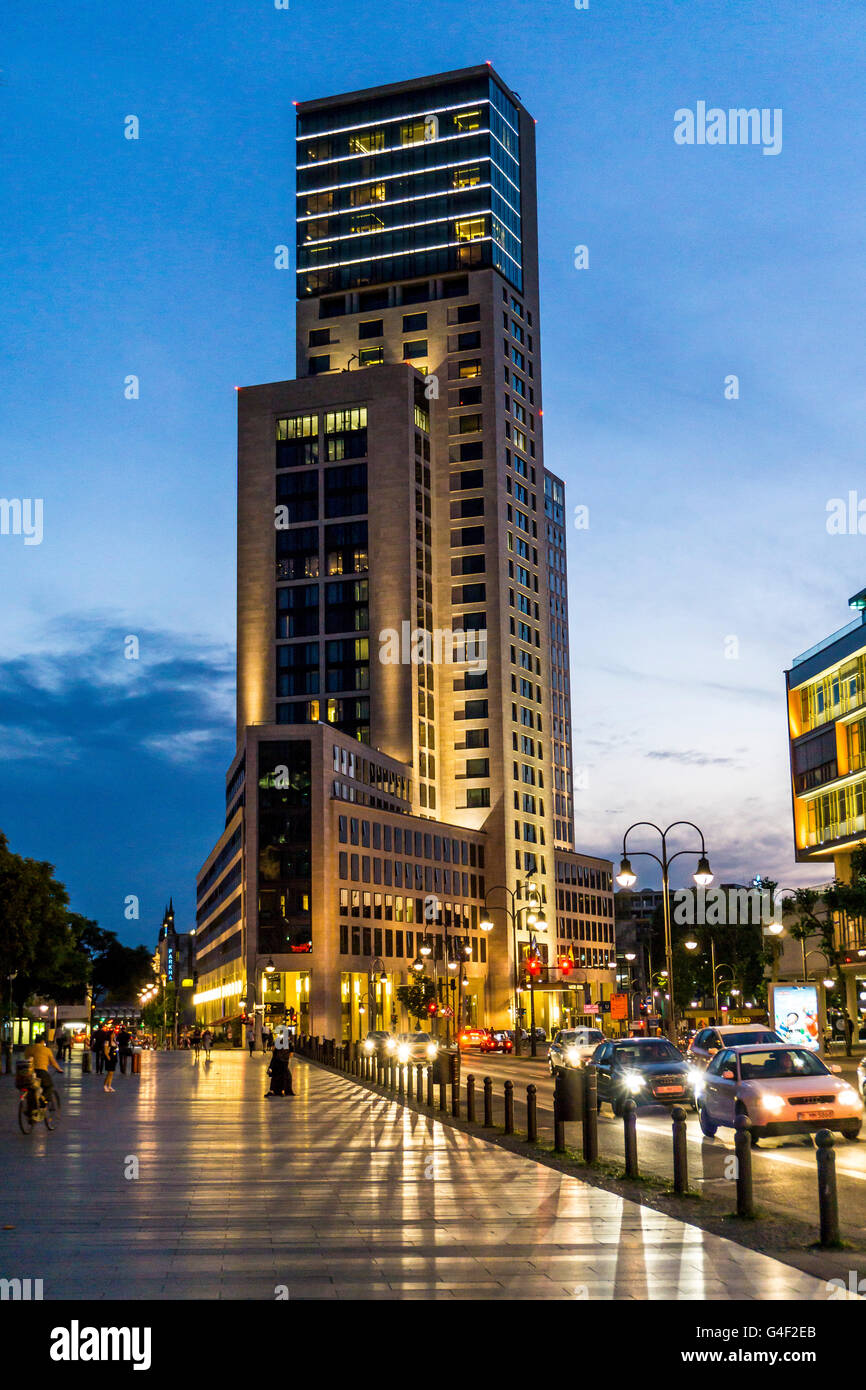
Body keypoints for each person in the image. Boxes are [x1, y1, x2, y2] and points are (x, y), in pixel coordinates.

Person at [24, 1033, 63, 1111]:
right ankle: (42, 1099)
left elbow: (26, 1058)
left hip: (30, 1073)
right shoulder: (46, 1050)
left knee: (32, 1088)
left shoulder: (29, 1048)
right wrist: (59, 1069)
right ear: (42, 1042)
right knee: (49, 1086)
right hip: (41, 1072)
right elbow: (53, 1062)